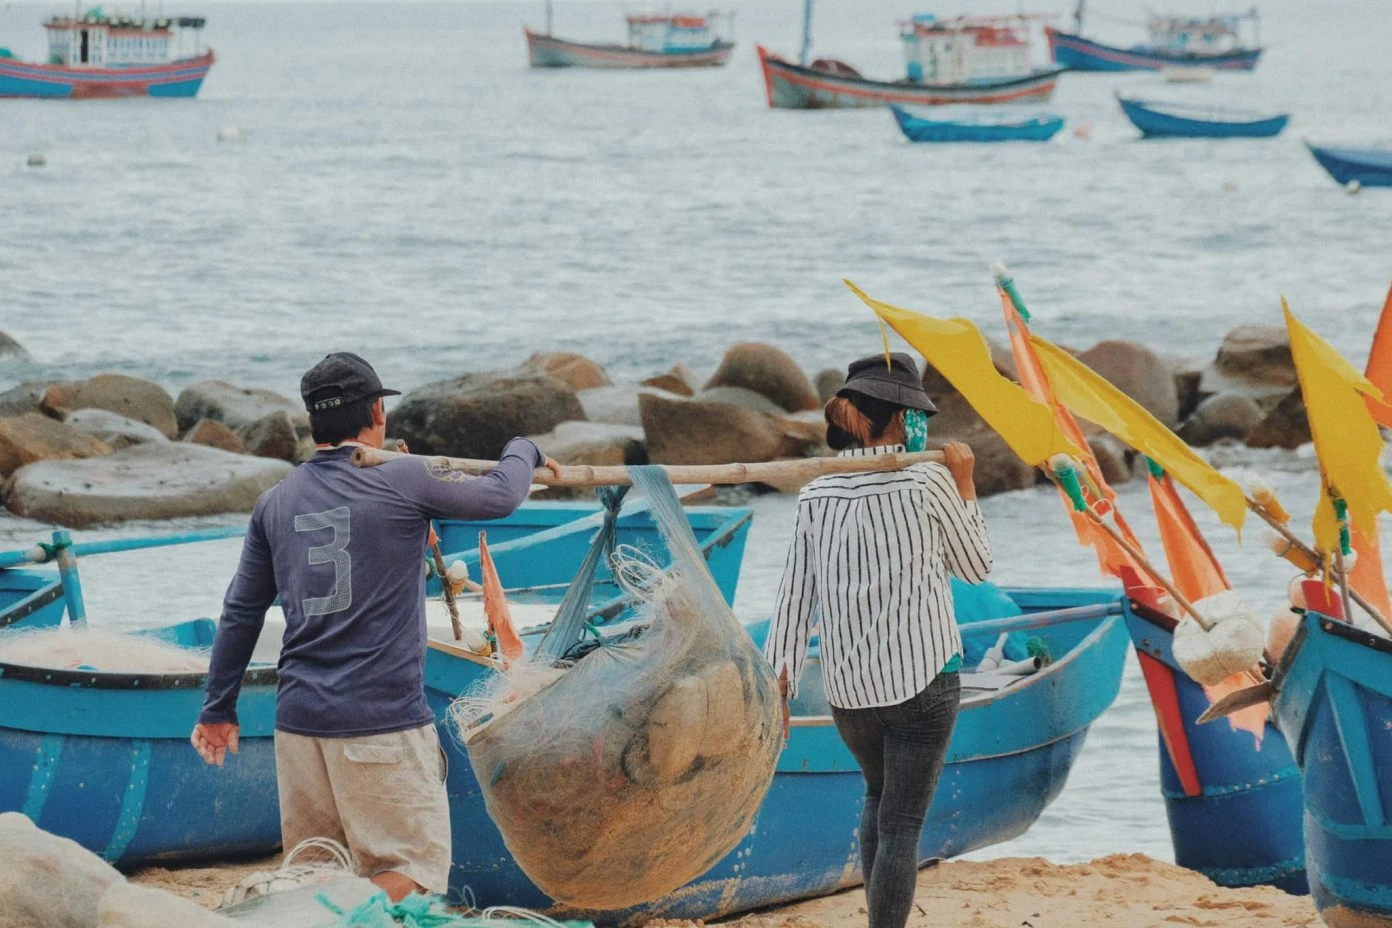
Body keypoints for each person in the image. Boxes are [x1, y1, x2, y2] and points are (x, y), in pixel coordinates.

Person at [190, 352, 559, 902]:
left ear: (312, 422)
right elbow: (502, 494)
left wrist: (218, 709)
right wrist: (523, 449)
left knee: (314, 877)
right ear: (377, 412)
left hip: (299, 729)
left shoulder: (275, 502)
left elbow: (240, 612)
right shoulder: (403, 476)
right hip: (379, 725)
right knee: (412, 875)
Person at [763, 352, 992, 928]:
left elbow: (796, 591)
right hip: (923, 681)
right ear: (898, 420)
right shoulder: (927, 480)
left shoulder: (818, 492)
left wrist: (779, 674)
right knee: (901, 823)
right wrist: (965, 486)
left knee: (878, 799)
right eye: (915, 416)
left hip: (850, 691)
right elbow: (975, 566)